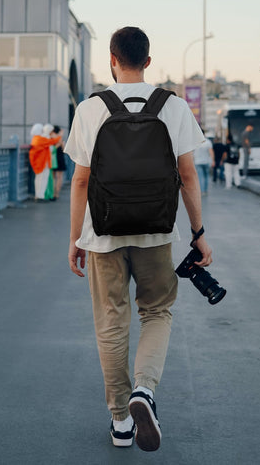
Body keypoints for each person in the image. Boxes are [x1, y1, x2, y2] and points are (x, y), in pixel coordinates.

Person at [64, 26, 213, 452]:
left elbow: (79, 182)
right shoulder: (174, 106)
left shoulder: (91, 109)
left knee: (111, 321)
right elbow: (187, 176)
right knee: (158, 312)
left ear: (111, 59)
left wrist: (76, 238)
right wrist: (198, 234)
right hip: (158, 231)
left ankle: (121, 422)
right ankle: (144, 390)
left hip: (103, 233)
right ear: (148, 61)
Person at [29, 123, 62, 202]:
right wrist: (60, 135)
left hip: (41, 162)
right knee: (41, 180)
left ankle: (39, 195)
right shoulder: (39, 139)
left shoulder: (36, 139)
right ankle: (40, 196)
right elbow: (53, 141)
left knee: (39, 179)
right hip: (42, 163)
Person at [194, 130, 214, 195]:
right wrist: (213, 161)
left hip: (198, 162)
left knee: (200, 176)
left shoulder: (195, 142)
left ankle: (201, 191)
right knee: (206, 176)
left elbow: (192, 153)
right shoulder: (208, 142)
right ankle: (205, 190)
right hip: (206, 162)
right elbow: (211, 152)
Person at [52, 125, 66, 200]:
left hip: (53, 159)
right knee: (59, 177)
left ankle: (53, 193)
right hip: (60, 158)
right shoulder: (60, 139)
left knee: (53, 176)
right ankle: (57, 193)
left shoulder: (51, 139)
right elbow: (64, 150)